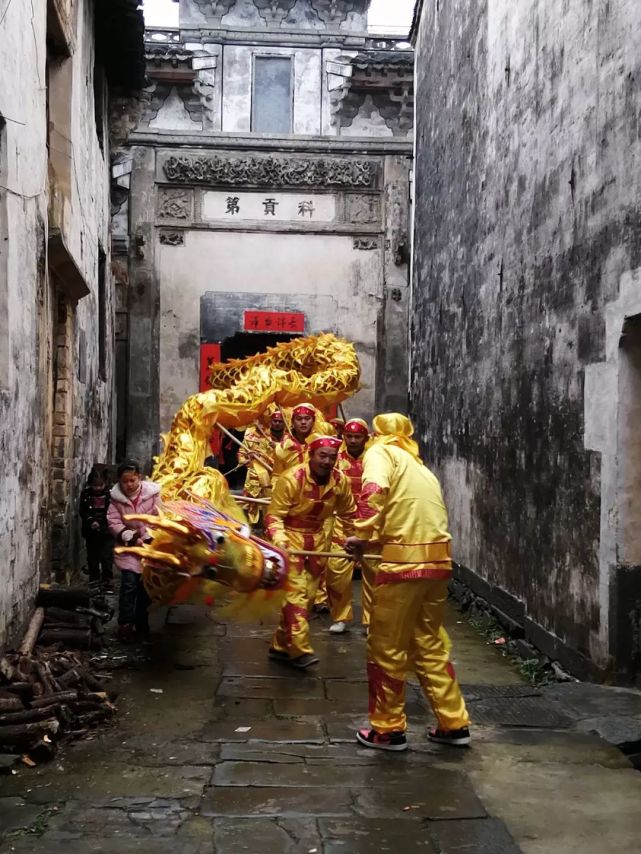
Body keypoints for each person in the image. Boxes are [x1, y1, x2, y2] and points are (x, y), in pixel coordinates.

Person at [345, 413, 470, 752]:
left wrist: (359, 534)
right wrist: (372, 542)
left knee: (386, 647)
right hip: (437, 563)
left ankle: (387, 729)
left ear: (375, 433)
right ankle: (454, 723)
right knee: (428, 643)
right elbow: (405, 516)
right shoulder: (419, 467)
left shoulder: (380, 453)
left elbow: (373, 491)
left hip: (402, 566)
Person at [264, 436, 356, 669]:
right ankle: (299, 649)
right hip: (291, 540)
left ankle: (280, 646)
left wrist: (353, 539)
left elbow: (348, 514)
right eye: (322, 456)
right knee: (296, 594)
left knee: (309, 597)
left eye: (332, 457)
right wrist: (280, 539)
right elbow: (274, 516)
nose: (327, 461)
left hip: (319, 544)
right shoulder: (291, 478)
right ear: (311, 455)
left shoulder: (339, 480)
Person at [107, 460, 161, 643]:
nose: (129, 485)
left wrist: (146, 537)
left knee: (145, 588)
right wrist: (129, 536)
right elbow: (114, 521)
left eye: (132, 480)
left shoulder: (152, 495)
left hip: (148, 548)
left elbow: (158, 518)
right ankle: (125, 624)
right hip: (128, 549)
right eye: (125, 481)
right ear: (119, 482)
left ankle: (142, 623)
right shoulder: (116, 499)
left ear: (139, 477)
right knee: (129, 585)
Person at [326, 418, 371, 634]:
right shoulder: (334, 458)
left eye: (357, 437)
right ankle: (341, 616)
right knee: (336, 570)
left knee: (372, 572)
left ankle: (371, 621)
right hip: (341, 522)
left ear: (366, 438)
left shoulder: (374, 458)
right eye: (349, 436)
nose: (352, 440)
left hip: (368, 522)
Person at [238, 407, 286, 526]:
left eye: (280, 421)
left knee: (272, 504)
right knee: (250, 503)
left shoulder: (288, 439)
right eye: (275, 421)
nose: (277, 424)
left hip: (276, 476)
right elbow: (242, 452)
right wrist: (244, 460)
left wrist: (278, 447)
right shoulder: (254, 436)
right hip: (255, 475)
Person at [79, 468, 114, 594]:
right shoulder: (86, 494)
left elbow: (113, 512)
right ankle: (94, 581)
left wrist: (104, 525)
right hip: (91, 532)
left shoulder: (110, 495)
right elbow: (83, 511)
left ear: (105, 483)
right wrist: (91, 520)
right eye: (95, 485)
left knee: (106, 557)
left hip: (107, 532)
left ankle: (107, 582)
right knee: (92, 557)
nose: (98, 488)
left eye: (100, 485)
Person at [272, 403, 316, 477]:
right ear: (292, 421)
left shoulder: (320, 446)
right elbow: (276, 476)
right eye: (299, 419)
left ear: (313, 421)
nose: (303, 422)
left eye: (307, 418)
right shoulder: (282, 448)